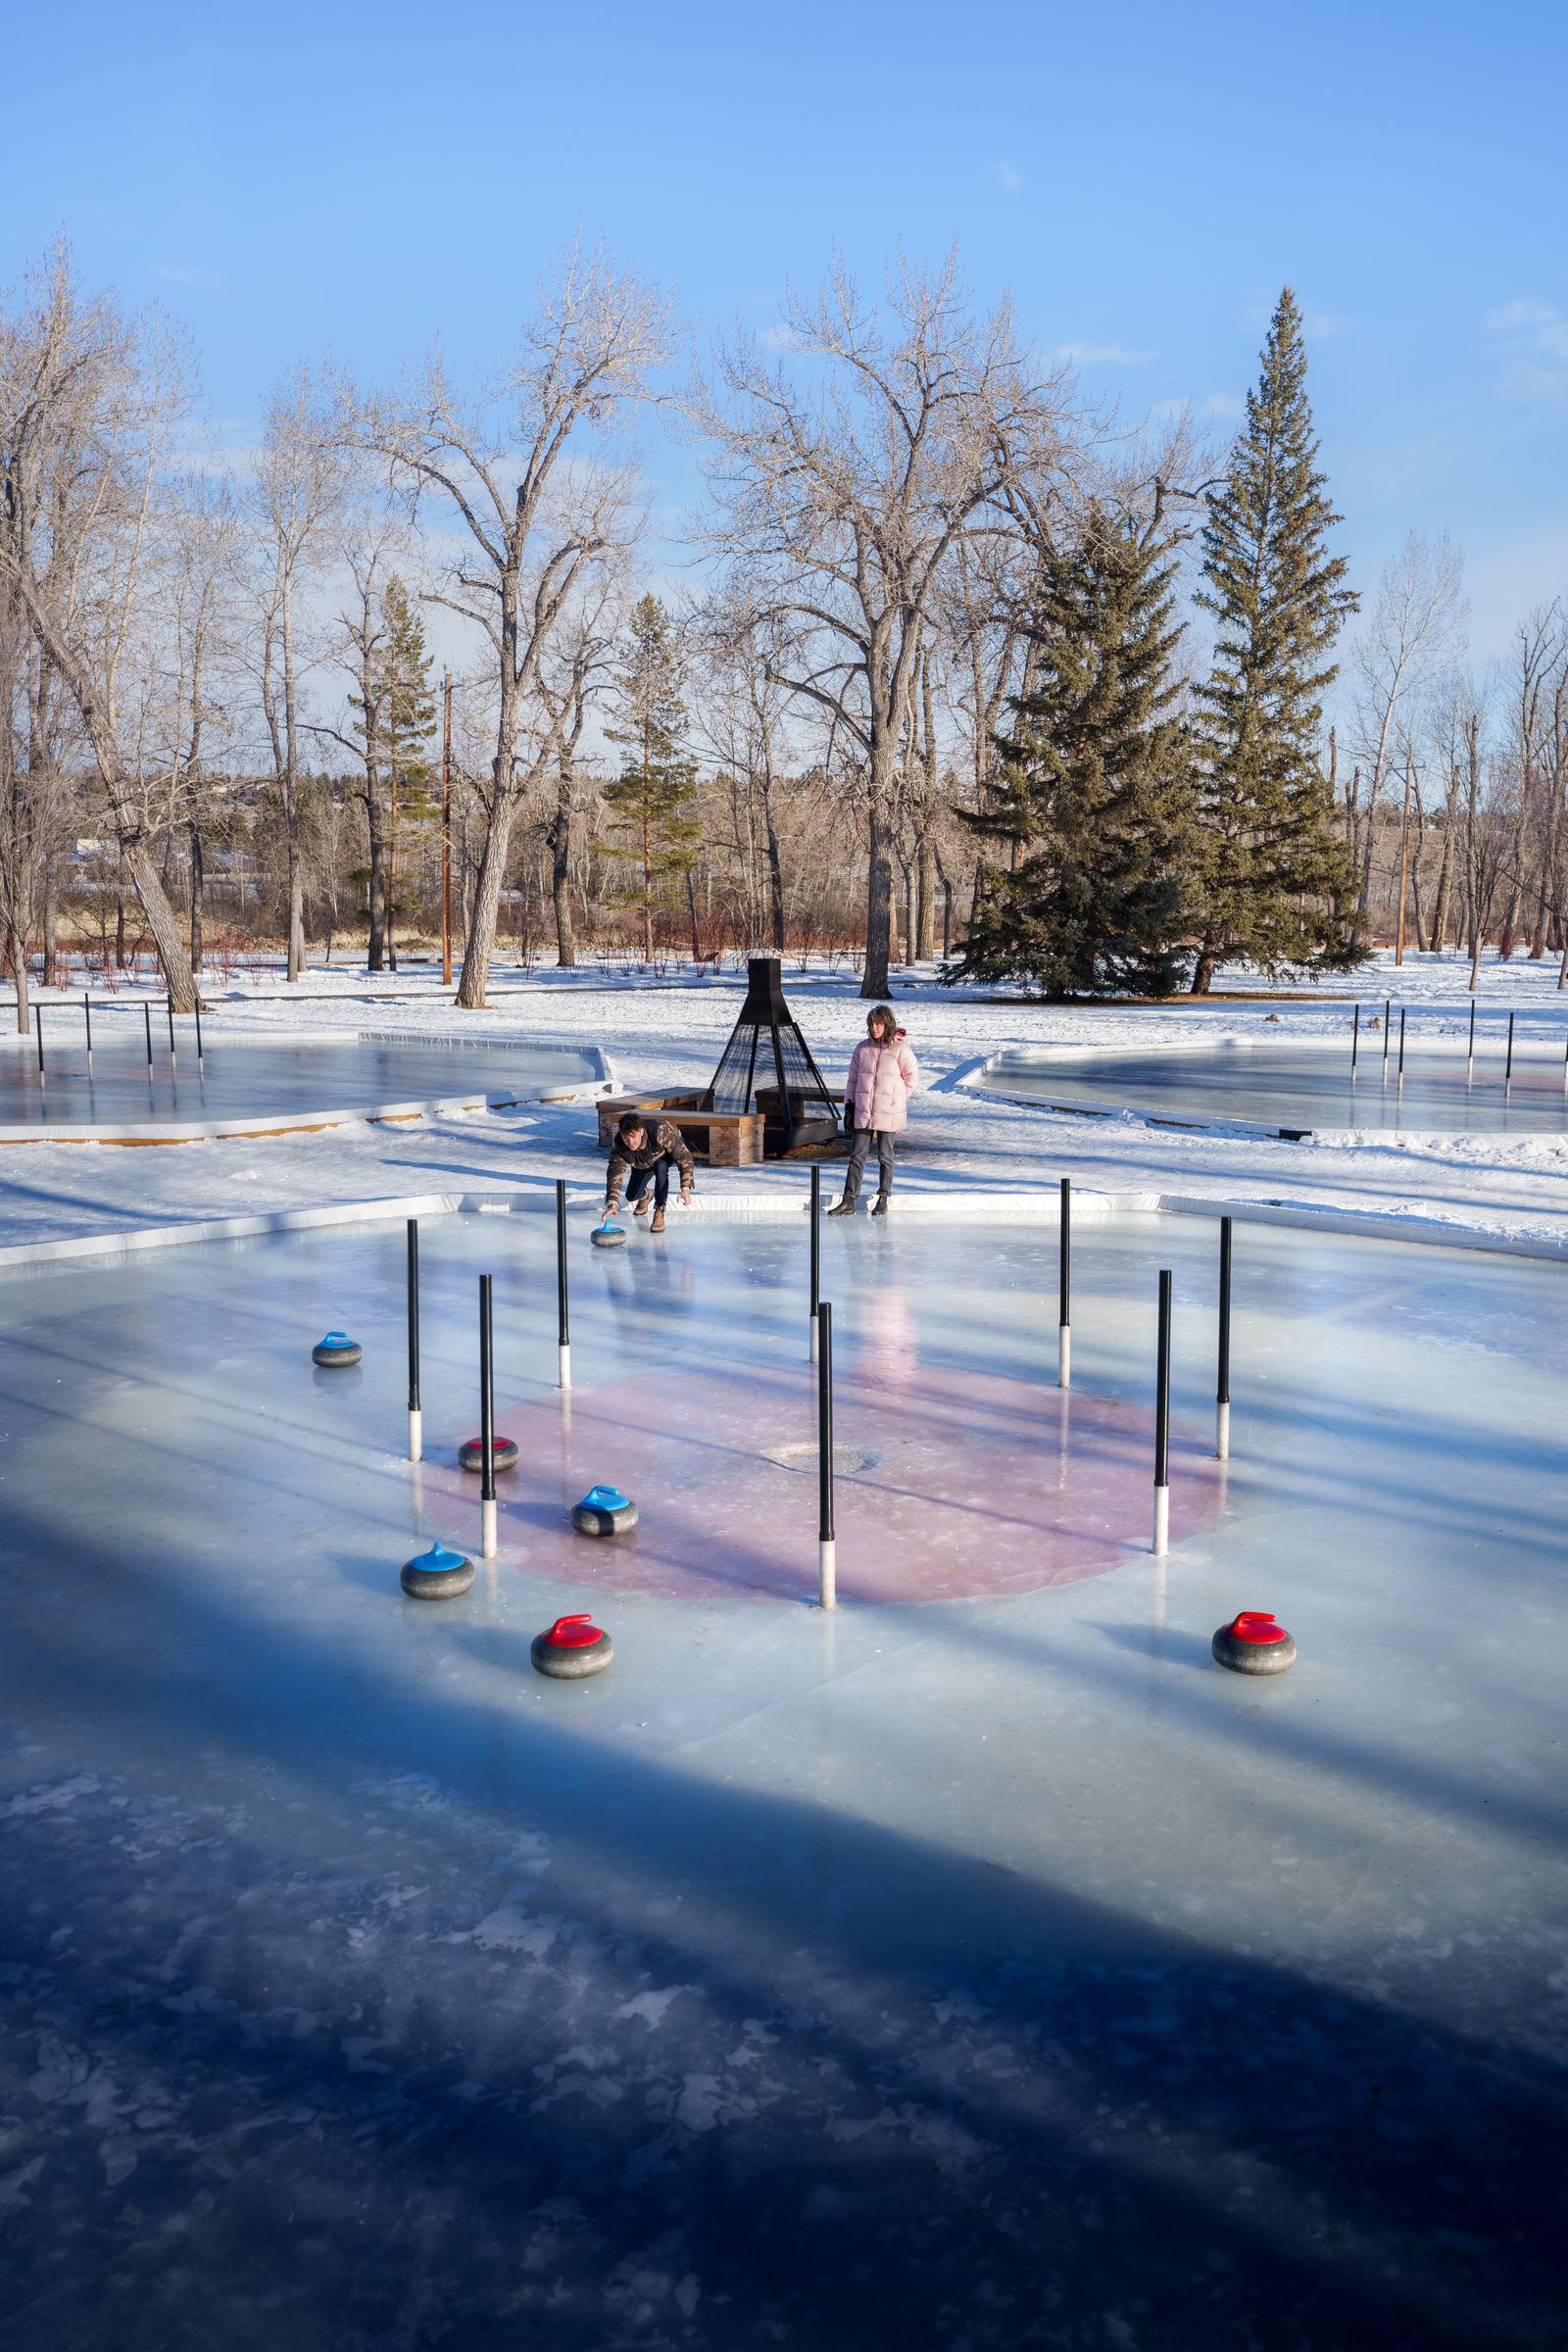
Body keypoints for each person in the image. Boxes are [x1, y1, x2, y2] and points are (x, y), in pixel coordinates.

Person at [829, 1005, 918, 1217]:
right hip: (863, 1110)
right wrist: (849, 1105)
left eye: (878, 1023)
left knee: (885, 1156)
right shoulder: (862, 1049)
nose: (873, 1027)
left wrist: (895, 1101)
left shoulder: (900, 1050)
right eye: (871, 1023)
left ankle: (883, 1198)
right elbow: (852, 1079)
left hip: (889, 1112)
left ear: (887, 1024)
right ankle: (849, 1200)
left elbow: (912, 1080)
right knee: (856, 1156)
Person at [604, 1111, 695, 1234]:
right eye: (626, 1138)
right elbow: (615, 1172)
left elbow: (684, 1158)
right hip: (641, 1162)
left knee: (661, 1168)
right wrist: (613, 1203)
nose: (630, 1142)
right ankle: (647, 1195)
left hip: (664, 1154)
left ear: (641, 1131)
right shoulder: (620, 1145)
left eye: (633, 1137)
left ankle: (659, 1210)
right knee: (631, 1195)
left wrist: (685, 1188)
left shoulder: (659, 1132)